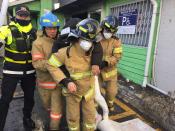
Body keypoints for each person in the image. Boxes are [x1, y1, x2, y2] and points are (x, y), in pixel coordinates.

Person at [47, 18, 99, 131]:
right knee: (73, 118)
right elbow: (51, 64)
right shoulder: (66, 51)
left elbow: (99, 50)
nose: (88, 44)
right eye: (85, 40)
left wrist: (97, 64)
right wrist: (66, 81)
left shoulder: (93, 51)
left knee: (90, 118)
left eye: (90, 41)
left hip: (88, 91)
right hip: (72, 92)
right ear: (77, 37)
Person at [0, 5, 37, 130]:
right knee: (5, 100)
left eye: (25, 14)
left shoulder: (35, 32)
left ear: (29, 16)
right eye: (20, 14)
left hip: (30, 72)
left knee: (30, 99)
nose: (22, 16)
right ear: (16, 16)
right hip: (11, 71)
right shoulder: (6, 29)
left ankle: (27, 118)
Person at [32, 12, 63, 131]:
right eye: (50, 28)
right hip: (44, 84)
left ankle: (54, 127)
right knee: (47, 106)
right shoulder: (38, 43)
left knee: (56, 111)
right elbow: (37, 63)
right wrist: (53, 63)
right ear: (44, 29)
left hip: (58, 83)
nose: (53, 31)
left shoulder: (61, 40)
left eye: (54, 28)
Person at [99, 15, 122, 111]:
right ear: (103, 27)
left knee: (112, 92)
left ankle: (110, 104)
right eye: (107, 30)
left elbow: (117, 56)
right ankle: (96, 107)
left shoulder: (116, 41)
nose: (109, 33)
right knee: (96, 91)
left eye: (111, 31)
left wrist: (106, 62)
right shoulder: (96, 37)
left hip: (110, 71)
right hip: (98, 71)